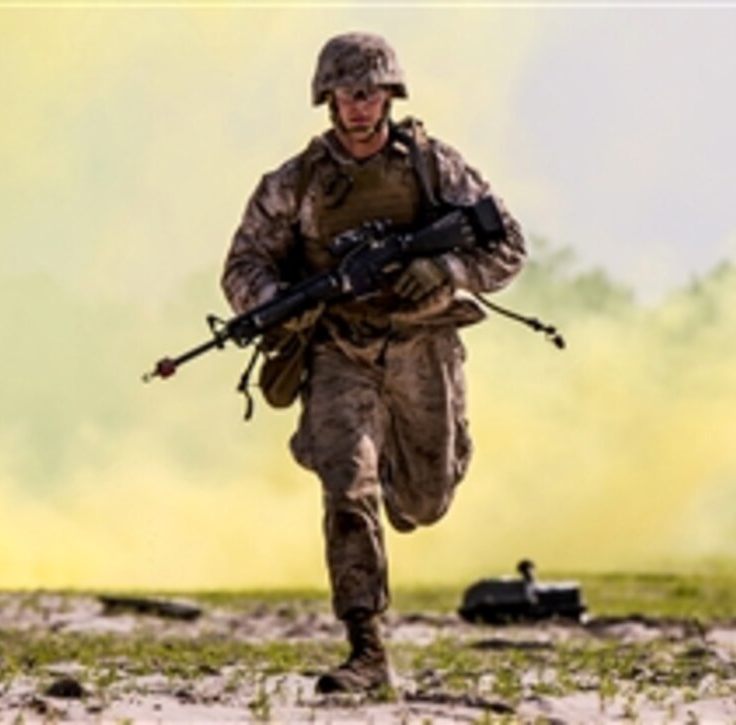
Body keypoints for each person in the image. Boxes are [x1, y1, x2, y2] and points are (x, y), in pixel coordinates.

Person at [221, 31, 525, 695]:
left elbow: (507, 245)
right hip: (339, 349)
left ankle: (420, 468)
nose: (357, 105)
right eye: (344, 93)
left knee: (424, 499)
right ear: (325, 98)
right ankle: (366, 647)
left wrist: (442, 268)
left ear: (388, 93)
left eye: (368, 91)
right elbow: (242, 265)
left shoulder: (433, 168)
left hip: (422, 345)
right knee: (347, 490)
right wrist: (280, 303)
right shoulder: (294, 183)